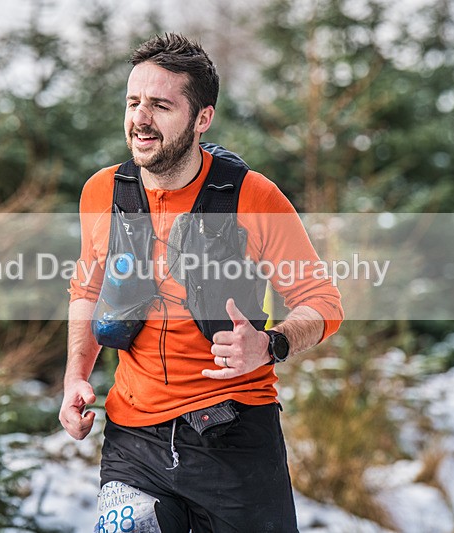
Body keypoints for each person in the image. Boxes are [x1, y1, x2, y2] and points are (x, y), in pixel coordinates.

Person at [59, 32, 344, 533]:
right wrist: (75, 376)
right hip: (134, 439)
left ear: (202, 118)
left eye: (160, 106)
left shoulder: (252, 197)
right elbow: (86, 292)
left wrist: (271, 343)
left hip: (233, 434)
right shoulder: (102, 191)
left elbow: (322, 301)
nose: (140, 119)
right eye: (134, 103)